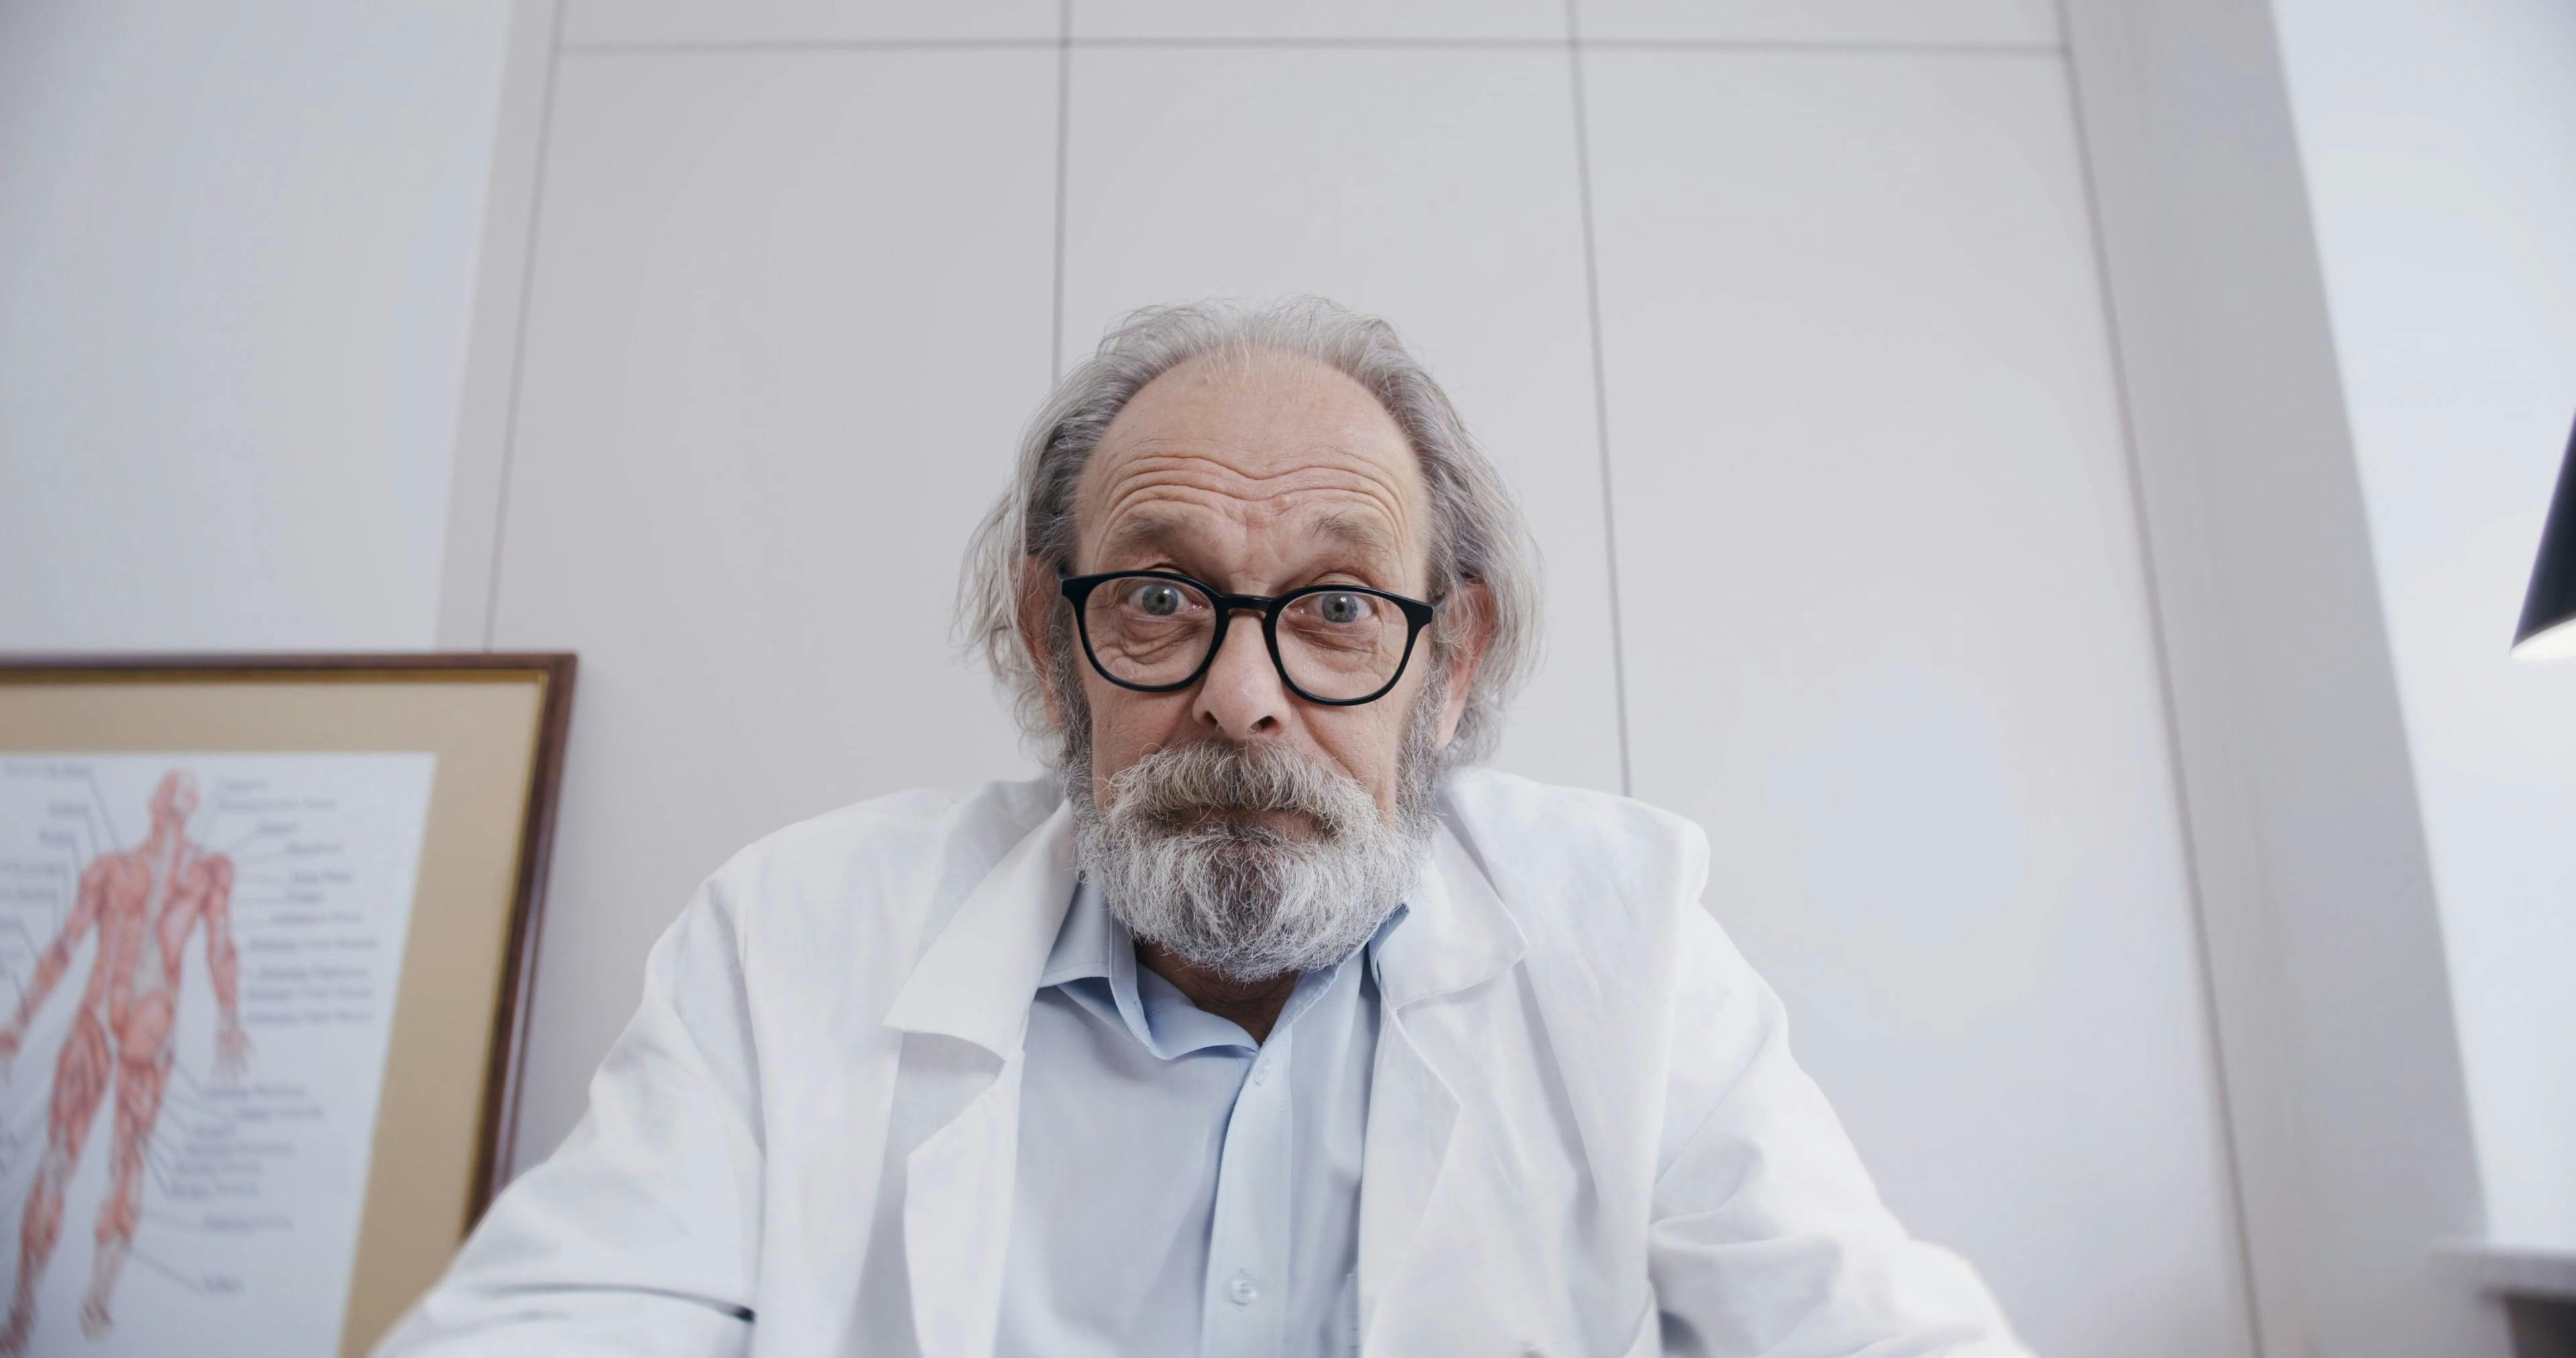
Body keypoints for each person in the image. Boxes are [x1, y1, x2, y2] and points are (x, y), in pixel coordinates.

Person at [378, 298, 2029, 1357]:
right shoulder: (796, 938)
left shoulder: (1631, 944)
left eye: (1335, 607)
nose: (1244, 697)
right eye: (1161, 598)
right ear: (1051, 641)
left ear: (1450, 662)